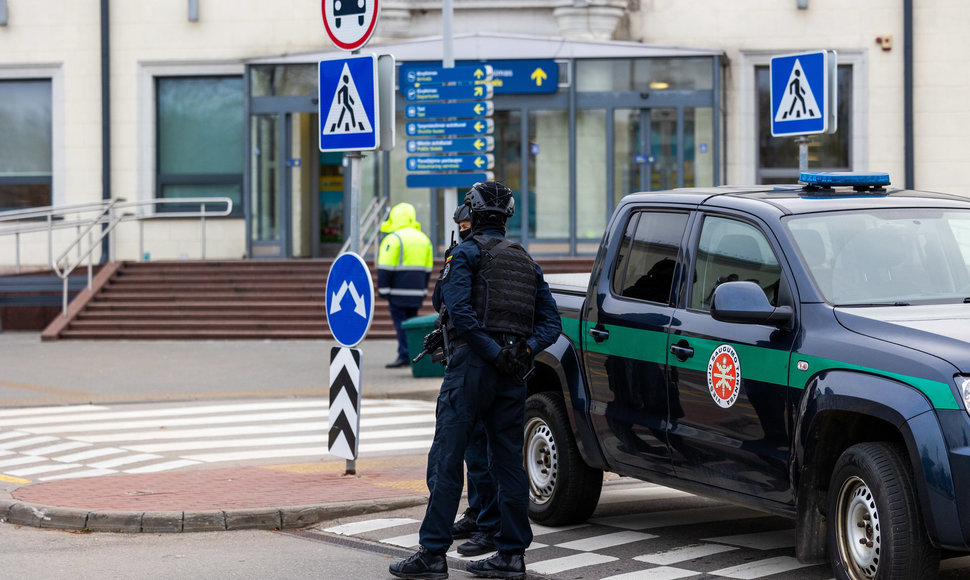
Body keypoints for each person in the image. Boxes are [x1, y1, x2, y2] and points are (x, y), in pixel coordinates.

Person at [390, 182, 561, 580]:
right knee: (508, 464)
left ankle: (432, 555)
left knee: (447, 458)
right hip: (513, 372)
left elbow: (458, 311)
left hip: (473, 367)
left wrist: (491, 351)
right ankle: (511, 556)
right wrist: (523, 351)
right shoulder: (526, 262)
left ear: (474, 215)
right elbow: (551, 323)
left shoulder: (465, 253)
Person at [433, 204, 499, 557]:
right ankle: (478, 513)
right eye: (459, 224)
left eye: (466, 223)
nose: (462, 229)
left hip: (477, 360)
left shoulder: (477, 256)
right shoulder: (460, 255)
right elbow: (439, 304)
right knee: (476, 446)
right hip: (476, 357)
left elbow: (454, 306)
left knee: (479, 448)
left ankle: (488, 522)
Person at [377, 202, 433, 368]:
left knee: (401, 325)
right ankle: (411, 353)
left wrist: (383, 290)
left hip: (397, 291)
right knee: (411, 324)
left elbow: (385, 267)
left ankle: (404, 355)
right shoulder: (424, 239)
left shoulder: (393, 239)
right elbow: (428, 268)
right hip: (417, 291)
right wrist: (423, 290)